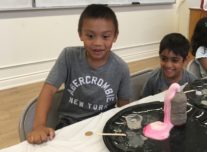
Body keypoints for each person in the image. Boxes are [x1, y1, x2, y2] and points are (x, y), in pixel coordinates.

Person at [27, 4, 130, 144]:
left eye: (105, 36)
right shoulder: (68, 56)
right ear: (80, 34)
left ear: (115, 36)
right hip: (69, 125)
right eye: (90, 36)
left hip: (103, 127)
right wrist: (38, 126)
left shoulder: (122, 68)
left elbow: (123, 105)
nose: (98, 43)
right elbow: (49, 89)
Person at [141, 33, 197, 97]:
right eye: (164, 59)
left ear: (185, 60)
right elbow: (142, 103)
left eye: (175, 60)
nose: (168, 65)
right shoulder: (152, 80)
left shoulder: (192, 80)